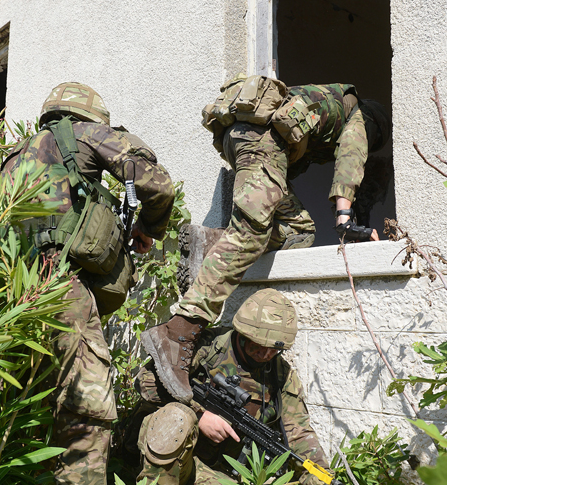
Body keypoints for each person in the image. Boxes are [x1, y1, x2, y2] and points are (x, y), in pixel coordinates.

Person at [0, 81, 174, 485]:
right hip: (62, 293)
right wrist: (148, 229)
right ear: (83, 115)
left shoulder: (13, 159)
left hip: (11, 297)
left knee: (32, 427)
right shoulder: (83, 136)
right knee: (87, 425)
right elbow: (156, 181)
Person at [141, 78, 391, 403]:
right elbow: (351, 159)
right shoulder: (358, 116)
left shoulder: (324, 104)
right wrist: (344, 220)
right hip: (261, 144)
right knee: (251, 231)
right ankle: (180, 330)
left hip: (243, 140)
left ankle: (212, 243)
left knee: (300, 230)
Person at [131, 289, 360, 485]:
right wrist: (200, 414)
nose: (264, 354)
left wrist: (326, 484)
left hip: (206, 472)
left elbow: (298, 436)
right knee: (177, 419)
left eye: (272, 349)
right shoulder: (204, 346)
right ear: (241, 332)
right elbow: (145, 383)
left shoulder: (281, 376)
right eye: (256, 344)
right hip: (167, 453)